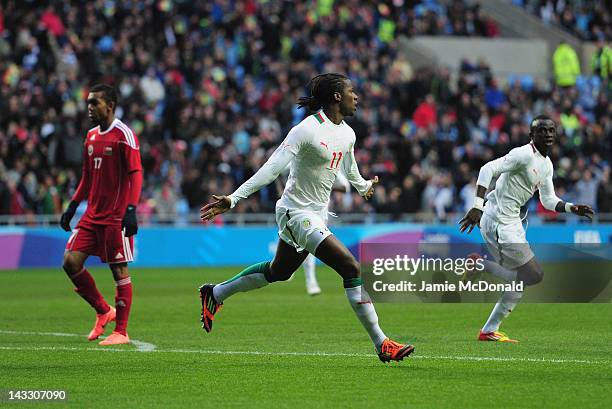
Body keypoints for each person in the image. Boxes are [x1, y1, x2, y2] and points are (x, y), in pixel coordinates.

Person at [198, 73, 414, 363]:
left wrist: (363, 186)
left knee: (279, 272)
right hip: (295, 213)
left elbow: (348, 168)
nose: (356, 96)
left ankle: (216, 292)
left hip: (317, 214)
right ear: (337, 97)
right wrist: (234, 198)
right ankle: (382, 343)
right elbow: (273, 167)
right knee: (350, 266)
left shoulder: (347, 133)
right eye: (352, 91)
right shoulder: (306, 130)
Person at [459, 115, 594, 342]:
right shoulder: (522, 154)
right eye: (542, 131)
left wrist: (572, 208)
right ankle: (480, 265)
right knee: (534, 274)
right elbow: (487, 169)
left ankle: (488, 331)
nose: (548, 135)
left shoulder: (546, 164)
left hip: (512, 222)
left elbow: (548, 200)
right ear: (532, 135)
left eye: (551, 131)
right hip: (498, 219)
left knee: (520, 281)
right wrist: (476, 207)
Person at [60, 84, 142, 346]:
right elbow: (87, 177)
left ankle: (122, 331)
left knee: (119, 270)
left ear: (110, 105)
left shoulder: (124, 135)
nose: (89, 108)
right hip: (92, 216)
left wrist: (131, 209)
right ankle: (104, 310)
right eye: (88, 103)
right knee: (70, 262)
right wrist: (72, 205)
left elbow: (136, 173)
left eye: (94, 103)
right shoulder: (91, 136)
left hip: (115, 217)